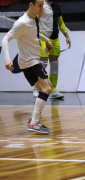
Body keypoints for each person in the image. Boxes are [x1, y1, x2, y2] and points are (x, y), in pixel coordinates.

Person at [2, 0, 53, 134]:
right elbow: (5, 39)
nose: (42, 8)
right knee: (46, 88)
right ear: (31, 5)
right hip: (28, 62)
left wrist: (46, 41)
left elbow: (34, 33)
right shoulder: (21, 22)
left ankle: (34, 121)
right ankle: (34, 123)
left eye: (43, 5)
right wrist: (7, 59)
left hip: (33, 60)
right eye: (40, 5)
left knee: (48, 87)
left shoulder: (34, 18)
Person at [33, 0, 71, 99]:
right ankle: (37, 87)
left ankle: (53, 90)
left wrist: (67, 36)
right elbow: (34, 20)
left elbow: (61, 22)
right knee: (43, 64)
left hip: (55, 39)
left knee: (54, 64)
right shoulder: (41, 5)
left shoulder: (57, 7)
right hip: (44, 38)